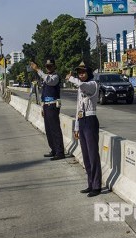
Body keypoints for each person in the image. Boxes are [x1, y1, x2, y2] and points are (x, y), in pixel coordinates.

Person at [66, 61, 102, 197]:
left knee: (93, 155)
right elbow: (78, 108)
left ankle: (97, 186)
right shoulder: (81, 88)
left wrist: (70, 78)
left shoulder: (92, 85)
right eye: (79, 73)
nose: (81, 75)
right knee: (86, 156)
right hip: (81, 121)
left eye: (83, 72)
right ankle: (90, 183)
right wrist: (76, 126)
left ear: (88, 73)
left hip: (91, 120)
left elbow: (81, 84)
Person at [30, 59, 65, 161]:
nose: (48, 68)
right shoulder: (46, 77)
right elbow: (44, 94)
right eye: (47, 66)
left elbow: (49, 81)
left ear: (54, 66)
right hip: (46, 105)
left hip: (53, 105)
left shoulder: (55, 77)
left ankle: (60, 152)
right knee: (49, 130)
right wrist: (42, 107)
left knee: (55, 129)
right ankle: (53, 149)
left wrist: (37, 69)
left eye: (50, 66)